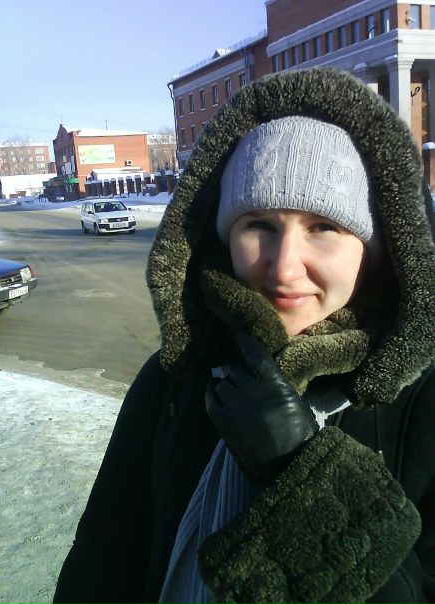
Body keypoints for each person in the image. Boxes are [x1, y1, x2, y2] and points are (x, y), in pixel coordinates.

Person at [53, 67, 435, 604]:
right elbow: (104, 558)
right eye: (259, 225)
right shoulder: (175, 379)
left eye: (324, 227)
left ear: (375, 250)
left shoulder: (421, 401)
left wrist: (295, 468)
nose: (284, 268)